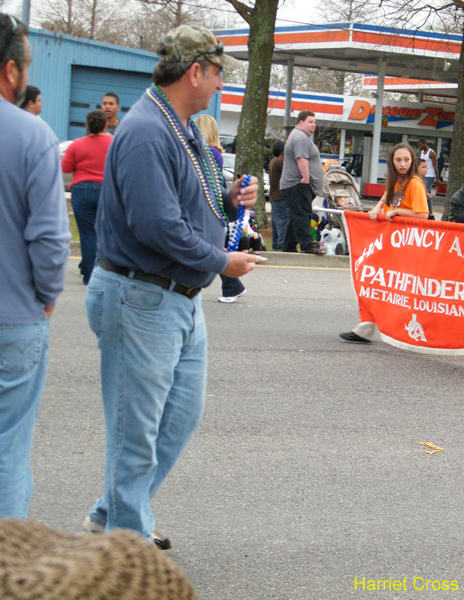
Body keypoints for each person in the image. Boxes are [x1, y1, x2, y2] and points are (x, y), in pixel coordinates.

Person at [82, 24, 260, 547]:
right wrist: (222, 262)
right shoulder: (146, 132)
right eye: (218, 72)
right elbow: (157, 226)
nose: (222, 83)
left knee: (179, 418)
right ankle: (125, 539)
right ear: (195, 72)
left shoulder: (182, 127)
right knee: (135, 432)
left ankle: (113, 511)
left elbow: (188, 204)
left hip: (174, 297)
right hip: (140, 295)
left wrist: (228, 201)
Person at [0, 13, 71, 517]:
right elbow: (48, 238)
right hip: (14, 314)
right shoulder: (31, 135)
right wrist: (48, 295)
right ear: (11, 72)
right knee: (7, 450)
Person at [340, 143, 429, 343]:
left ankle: (412, 330)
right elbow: (387, 197)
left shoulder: (415, 183)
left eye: (406, 159)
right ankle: (366, 327)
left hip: (407, 246)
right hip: (389, 243)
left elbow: (423, 214)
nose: (403, 164)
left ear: (412, 160)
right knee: (372, 282)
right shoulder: (395, 180)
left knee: (397, 290)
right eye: (398, 160)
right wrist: (378, 208)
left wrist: (396, 212)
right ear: (392, 162)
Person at [196, 114, 247, 304]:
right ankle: (232, 286)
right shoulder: (216, 153)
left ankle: (232, 286)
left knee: (210, 248)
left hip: (206, 205)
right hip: (214, 204)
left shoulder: (206, 153)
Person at [61, 109, 112, 285]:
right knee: (104, 233)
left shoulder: (76, 144)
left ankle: (88, 273)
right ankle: (101, 271)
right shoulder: (114, 143)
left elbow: (65, 168)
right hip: (106, 190)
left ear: (86, 125)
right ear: (106, 125)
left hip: (81, 190)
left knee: (88, 234)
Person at [281, 110, 324, 255]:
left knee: (295, 216)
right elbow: (302, 159)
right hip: (298, 184)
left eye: (314, 122)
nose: (313, 125)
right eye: (310, 122)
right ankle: (307, 246)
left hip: (296, 184)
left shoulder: (299, 136)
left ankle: (288, 247)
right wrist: (306, 178)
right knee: (302, 215)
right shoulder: (300, 138)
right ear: (301, 122)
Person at [268, 140, 288, 251]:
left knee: (276, 224)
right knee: (282, 224)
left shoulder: (273, 161)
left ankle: (276, 246)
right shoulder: (279, 163)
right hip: (280, 197)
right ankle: (282, 247)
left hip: (274, 197)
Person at [417, 138, 441, 210]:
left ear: (424, 144)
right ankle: (426, 208)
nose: (419, 147)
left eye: (420, 145)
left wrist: (437, 178)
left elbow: (435, 166)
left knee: (426, 191)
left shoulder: (431, 153)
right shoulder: (421, 153)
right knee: (425, 191)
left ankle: (429, 209)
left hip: (430, 175)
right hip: (422, 175)